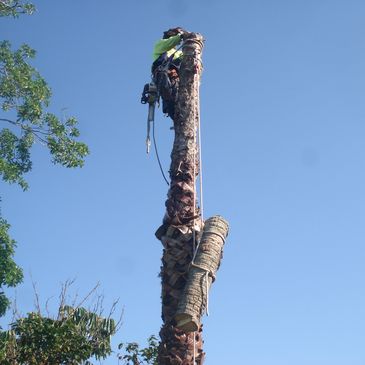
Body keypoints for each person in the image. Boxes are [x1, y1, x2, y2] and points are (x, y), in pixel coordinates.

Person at [151, 27, 188, 118]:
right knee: (171, 98)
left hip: (178, 79)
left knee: (181, 100)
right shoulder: (160, 45)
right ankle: (175, 112)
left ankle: (179, 112)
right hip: (165, 75)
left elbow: (186, 57)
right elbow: (170, 42)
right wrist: (181, 35)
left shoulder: (178, 52)